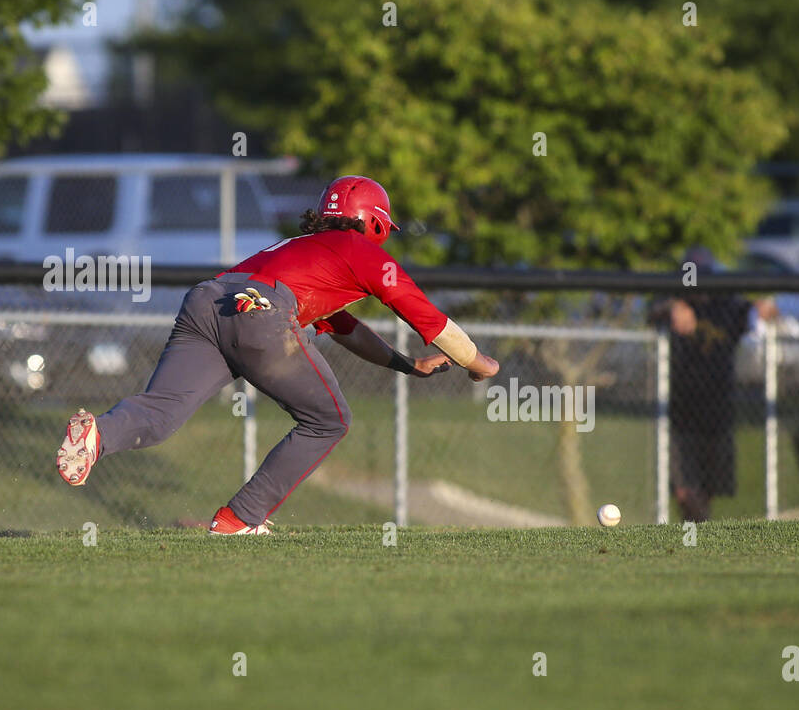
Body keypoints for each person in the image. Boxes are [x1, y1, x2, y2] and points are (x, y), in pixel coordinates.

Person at [55, 176, 500, 534]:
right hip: (261, 310)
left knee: (162, 412)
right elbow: (426, 317)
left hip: (209, 301)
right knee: (329, 420)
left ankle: (99, 435)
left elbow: (344, 329)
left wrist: (406, 365)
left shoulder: (298, 249)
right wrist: (477, 361)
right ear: (375, 223)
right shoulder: (359, 251)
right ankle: (239, 519)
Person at [653, 246, 754, 522]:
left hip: (718, 409)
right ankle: (698, 534)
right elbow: (654, 308)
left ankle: (697, 540)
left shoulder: (727, 303)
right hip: (679, 411)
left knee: (709, 487)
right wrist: (672, 306)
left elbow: (753, 309)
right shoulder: (674, 298)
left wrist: (765, 305)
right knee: (684, 489)